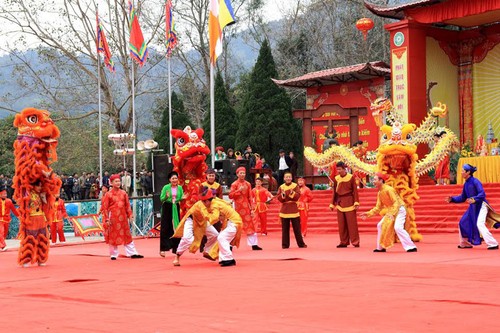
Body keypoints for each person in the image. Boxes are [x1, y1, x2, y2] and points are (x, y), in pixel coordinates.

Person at [446, 164, 500, 250]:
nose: (461, 172)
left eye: (463, 171)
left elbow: (482, 194)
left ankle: (493, 243)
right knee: (462, 222)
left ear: (468, 172)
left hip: (481, 206)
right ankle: (465, 243)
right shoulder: (466, 184)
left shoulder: (475, 181)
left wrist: (474, 199)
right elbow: (463, 197)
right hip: (473, 207)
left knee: (479, 224)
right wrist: (452, 199)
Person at [360, 172, 417, 253]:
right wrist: (368, 214)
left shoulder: (389, 189)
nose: (373, 181)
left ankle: (411, 246)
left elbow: (396, 203)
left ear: (381, 180)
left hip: (400, 209)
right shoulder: (380, 193)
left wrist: (391, 215)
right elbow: (378, 207)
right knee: (380, 225)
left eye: (375, 179)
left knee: (398, 227)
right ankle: (380, 247)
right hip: (392, 211)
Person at [171, 188, 220, 266]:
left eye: (207, 200)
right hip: (191, 220)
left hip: (203, 221)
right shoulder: (200, 204)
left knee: (215, 235)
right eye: (203, 201)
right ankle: (177, 257)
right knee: (187, 238)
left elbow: (222, 204)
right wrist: (215, 217)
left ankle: (206, 251)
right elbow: (207, 215)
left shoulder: (214, 203)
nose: (205, 202)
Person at [100, 174, 143, 260]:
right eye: (116, 181)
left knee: (127, 235)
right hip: (113, 218)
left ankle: (132, 253)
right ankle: (113, 254)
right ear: (111, 183)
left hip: (123, 217)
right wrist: (107, 219)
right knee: (113, 235)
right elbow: (105, 208)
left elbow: (127, 205)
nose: (118, 183)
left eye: (119, 181)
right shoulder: (108, 195)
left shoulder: (124, 193)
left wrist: (130, 214)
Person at [18, 180, 50, 267]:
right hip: (31, 219)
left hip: (41, 219)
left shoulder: (41, 194)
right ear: (33, 186)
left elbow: (47, 207)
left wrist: (44, 199)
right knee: (30, 240)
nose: (40, 188)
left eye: (40, 186)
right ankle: (26, 260)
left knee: (42, 240)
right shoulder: (28, 194)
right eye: (38, 186)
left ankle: (41, 259)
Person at [229, 167, 262, 250]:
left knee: (250, 225)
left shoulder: (248, 184)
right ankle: (230, 245)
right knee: (234, 226)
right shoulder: (234, 184)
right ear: (237, 174)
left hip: (246, 207)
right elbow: (230, 196)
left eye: (243, 173)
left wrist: (252, 208)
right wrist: (238, 191)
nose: (242, 174)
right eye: (240, 173)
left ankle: (254, 244)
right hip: (236, 207)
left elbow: (250, 196)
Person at [206, 192, 243, 267]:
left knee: (222, 238)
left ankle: (228, 259)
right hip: (232, 221)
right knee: (222, 238)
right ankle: (224, 259)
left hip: (233, 222)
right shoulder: (217, 201)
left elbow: (215, 217)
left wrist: (206, 223)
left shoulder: (215, 204)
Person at [329, 162, 360, 247]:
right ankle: (343, 242)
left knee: (352, 224)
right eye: (337, 169)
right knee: (341, 225)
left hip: (349, 202)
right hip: (340, 203)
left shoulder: (351, 177)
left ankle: (355, 242)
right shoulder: (336, 178)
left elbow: (355, 191)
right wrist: (332, 203)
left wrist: (356, 202)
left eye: (340, 169)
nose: (338, 171)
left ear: (344, 169)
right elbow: (334, 192)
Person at [277, 171, 307, 249]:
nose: (288, 178)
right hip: (284, 209)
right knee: (285, 229)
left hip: (293, 208)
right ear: (284, 178)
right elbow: (279, 198)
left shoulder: (295, 186)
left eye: (289, 177)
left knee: (297, 228)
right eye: (286, 177)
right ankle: (285, 245)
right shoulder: (281, 187)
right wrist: (283, 195)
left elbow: (298, 196)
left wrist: (292, 193)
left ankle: (301, 244)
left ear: (291, 178)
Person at [159, 171, 185, 257]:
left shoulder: (180, 188)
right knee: (165, 228)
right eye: (173, 178)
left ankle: (176, 248)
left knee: (176, 228)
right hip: (167, 207)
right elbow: (161, 199)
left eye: (176, 178)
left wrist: (182, 198)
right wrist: (166, 196)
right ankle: (163, 249)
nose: (175, 180)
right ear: (169, 179)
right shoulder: (166, 187)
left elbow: (181, 197)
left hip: (176, 207)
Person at [0, 186, 19, 251]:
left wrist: (19, 216)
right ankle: (3, 245)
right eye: (3, 194)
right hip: (0, 220)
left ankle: (1, 243)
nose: (5, 195)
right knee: (1, 232)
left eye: (6, 194)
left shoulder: (9, 201)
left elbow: (14, 210)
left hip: (6, 220)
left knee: (4, 233)